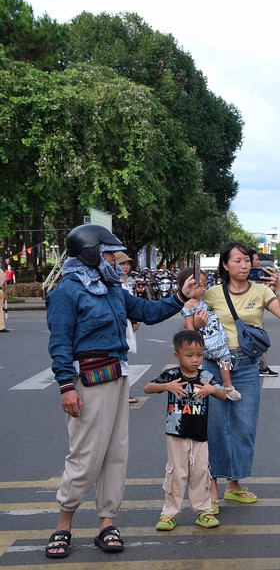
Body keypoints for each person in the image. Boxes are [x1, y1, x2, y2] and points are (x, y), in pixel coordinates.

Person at [44, 224, 200, 558]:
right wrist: (65, 386)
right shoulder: (67, 292)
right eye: (109, 254)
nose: (116, 261)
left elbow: (146, 311)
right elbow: (59, 344)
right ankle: (63, 524)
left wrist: (181, 296)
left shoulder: (111, 287)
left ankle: (106, 523)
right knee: (85, 456)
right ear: (90, 254)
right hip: (86, 380)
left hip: (117, 376)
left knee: (116, 454)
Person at [186, 242, 280, 512]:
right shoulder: (212, 294)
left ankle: (234, 485)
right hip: (213, 366)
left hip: (246, 366)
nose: (244, 265)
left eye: (247, 260)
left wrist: (279, 288)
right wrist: (197, 319)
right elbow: (192, 326)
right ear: (225, 265)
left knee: (243, 427)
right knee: (215, 427)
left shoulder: (261, 290)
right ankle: (211, 486)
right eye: (237, 261)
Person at [143, 330, 225, 531]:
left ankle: (203, 510)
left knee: (200, 473)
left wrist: (212, 390)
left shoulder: (206, 376)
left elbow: (223, 395)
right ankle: (169, 513)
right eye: (189, 355)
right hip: (176, 434)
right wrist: (167, 387)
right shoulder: (171, 375)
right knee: (176, 474)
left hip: (199, 435)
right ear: (177, 356)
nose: (195, 360)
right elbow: (147, 387)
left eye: (199, 355)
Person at [178, 268, 240, 401]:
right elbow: (189, 327)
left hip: (217, 338)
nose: (204, 289)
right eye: (200, 286)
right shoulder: (188, 304)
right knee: (221, 358)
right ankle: (222, 387)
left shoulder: (202, 301)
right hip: (207, 341)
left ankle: (227, 386)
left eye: (205, 285)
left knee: (224, 358)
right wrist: (195, 345)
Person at [114, 252, 140, 402]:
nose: (125, 266)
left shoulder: (126, 282)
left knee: (124, 358)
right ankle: (122, 393)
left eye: (127, 264)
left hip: (128, 324)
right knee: (120, 358)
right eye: (122, 263)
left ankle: (123, 392)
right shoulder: (115, 283)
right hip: (121, 325)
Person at [251, 251, 278, 377]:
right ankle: (261, 367)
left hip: (257, 318)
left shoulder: (258, 277)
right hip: (251, 320)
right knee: (260, 343)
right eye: (256, 259)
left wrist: (277, 286)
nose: (258, 262)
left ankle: (261, 366)